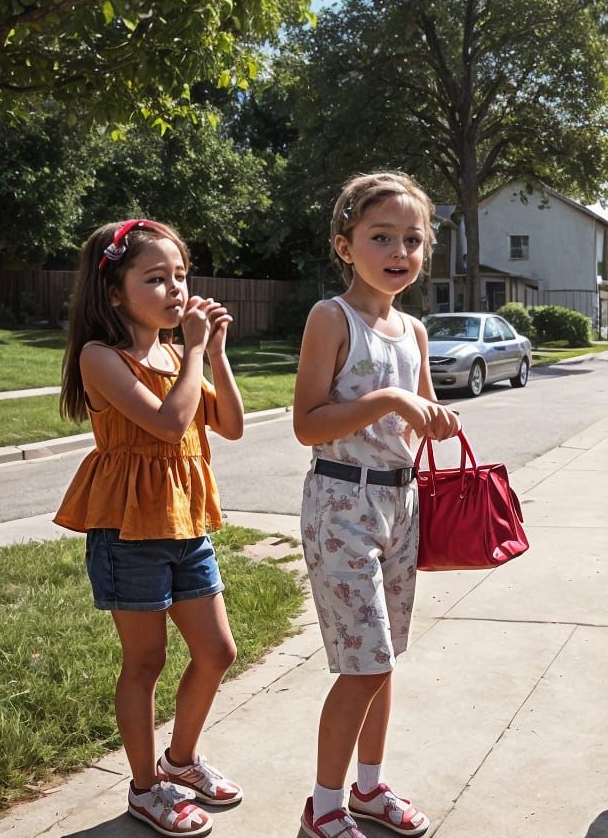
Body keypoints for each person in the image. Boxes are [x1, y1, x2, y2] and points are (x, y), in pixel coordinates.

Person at [55, 219, 246, 838]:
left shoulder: (173, 353)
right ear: (114, 292)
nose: (175, 289)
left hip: (185, 527)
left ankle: (181, 761)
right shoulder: (100, 357)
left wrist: (214, 354)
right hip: (128, 532)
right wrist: (192, 352)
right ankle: (144, 788)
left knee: (217, 652)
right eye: (156, 278)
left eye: (180, 276)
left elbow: (231, 425)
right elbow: (168, 425)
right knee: (145, 662)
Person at [291, 173, 460, 838]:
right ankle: (324, 806)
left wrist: (435, 419)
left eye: (413, 239)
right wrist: (391, 400)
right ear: (345, 245)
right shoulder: (331, 318)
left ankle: (367, 788)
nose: (399, 251)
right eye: (381, 237)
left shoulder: (414, 330)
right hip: (342, 503)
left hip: (401, 503)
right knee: (366, 665)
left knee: (383, 661)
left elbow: (419, 416)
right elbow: (308, 424)